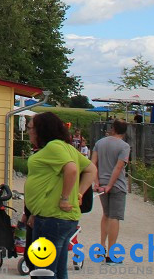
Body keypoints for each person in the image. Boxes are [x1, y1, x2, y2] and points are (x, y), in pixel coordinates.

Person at [27, 111, 97, 279]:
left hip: (53, 217)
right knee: (58, 271)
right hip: (56, 217)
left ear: (40, 129)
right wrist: (79, 193)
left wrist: (66, 198)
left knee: (44, 271)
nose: (28, 131)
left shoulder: (54, 147)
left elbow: (72, 169)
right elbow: (91, 169)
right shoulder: (67, 148)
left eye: (30, 128)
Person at [91, 119, 130, 262]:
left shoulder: (99, 143)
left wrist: (97, 182)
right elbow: (118, 167)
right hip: (117, 185)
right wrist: (110, 185)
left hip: (101, 183)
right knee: (115, 217)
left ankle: (101, 248)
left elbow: (93, 163)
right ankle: (111, 253)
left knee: (106, 215)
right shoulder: (124, 146)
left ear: (113, 129)